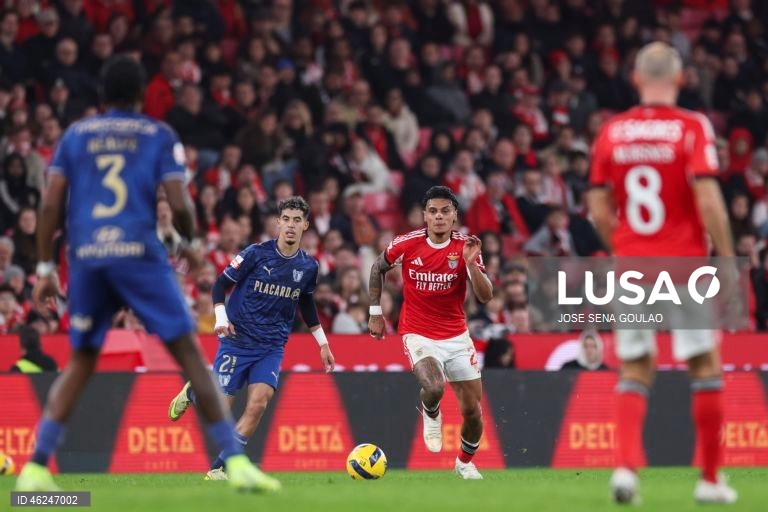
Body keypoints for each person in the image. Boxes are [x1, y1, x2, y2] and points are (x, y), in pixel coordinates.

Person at [16, 56, 279, 493]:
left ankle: (36, 468)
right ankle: (235, 463)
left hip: (88, 257)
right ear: (141, 96)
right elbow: (178, 203)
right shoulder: (157, 134)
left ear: (102, 95)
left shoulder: (76, 135)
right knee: (190, 355)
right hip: (138, 255)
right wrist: (192, 244)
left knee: (81, 361)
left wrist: (45, 267)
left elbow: (49, 205)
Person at [587, 42, 737, 504]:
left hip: (632, 266)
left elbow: (596, 206)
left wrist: (623, 249)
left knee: (635, 365)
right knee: (704, 365)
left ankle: (626, 470)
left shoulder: (612, 132)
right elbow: (708, 199)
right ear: (680, 79)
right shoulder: (692, 127)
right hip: (684, 264)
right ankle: (710, 481)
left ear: (635, 79)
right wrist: (727, 261)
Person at [167, 196, 335, 480]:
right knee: (222, 408)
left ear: (306, 225)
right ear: (278, 222)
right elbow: (221, 284)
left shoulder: (309, 267)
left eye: (297, 220)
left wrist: (323, 343)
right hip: (238, 338)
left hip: (272, 345)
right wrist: (221, 317)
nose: (291, 225)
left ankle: (220, 467)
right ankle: (194, 391)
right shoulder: (256, 254)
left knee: (258, 403)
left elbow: (306, 303)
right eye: (287, 219)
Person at [367, 185, 493, 479]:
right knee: (434, 386)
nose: (438, 217)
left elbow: (486, 296)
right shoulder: (406, 243)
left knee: (473, 411)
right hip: (418, 332)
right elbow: (377, 267)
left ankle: (464, 462)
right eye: (433, 211)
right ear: (424, 215)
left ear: (454, 216)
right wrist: (375, 313)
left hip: (457, 336)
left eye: (445, 211)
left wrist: (472, 266)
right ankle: (431, 411)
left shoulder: (466, 246)